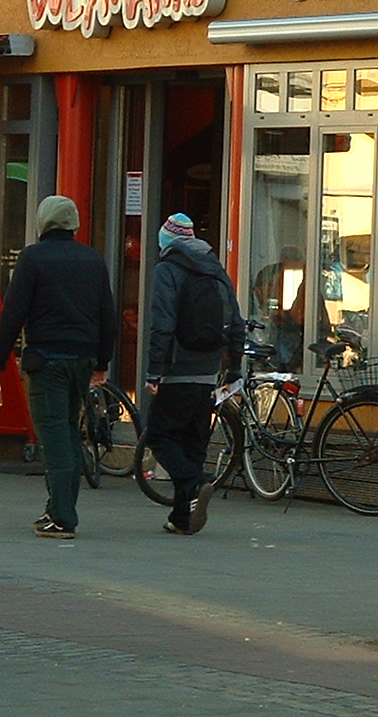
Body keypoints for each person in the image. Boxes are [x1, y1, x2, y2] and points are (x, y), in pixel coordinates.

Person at [0, 195, 118, 540]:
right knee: (69, 433)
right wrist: (101, 362)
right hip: (83, 359)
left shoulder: (33, 259)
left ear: (43, 222)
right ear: (73, 223)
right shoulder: (93, 259)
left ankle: (62, 516)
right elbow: (108, 316)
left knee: (54, 434)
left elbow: (13, 314)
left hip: (47, 360)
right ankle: (58, 509)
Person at [145, 212, 245, 536]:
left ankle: (196, 483)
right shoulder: (217, 271)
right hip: (207, 372)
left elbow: (162, 323)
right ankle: (181, 517)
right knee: (192, 444)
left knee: (160, 436)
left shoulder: (167, 270)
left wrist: (154, 371)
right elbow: (237, 324)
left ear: (168, 242)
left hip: (177, 368)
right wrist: (233, 370)